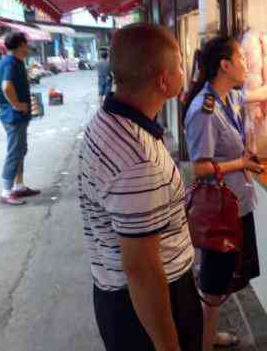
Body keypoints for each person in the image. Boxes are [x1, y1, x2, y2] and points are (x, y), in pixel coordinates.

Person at [78, 23, 202, 351]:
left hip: (120, 295)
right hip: (146, 307)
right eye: (179, 65)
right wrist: (167, 345)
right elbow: (142, 269)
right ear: (164, 80)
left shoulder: (109, 118)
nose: (184, 72)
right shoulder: (137, 161)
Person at [183, 36, 267, 351]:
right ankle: (204, 342)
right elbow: (200, 167)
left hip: (236, 204)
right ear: (225, 65)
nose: (247, 63)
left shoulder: (228, 98)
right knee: (213, 283)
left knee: (223, 280)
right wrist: (242, 163)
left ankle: (208, 334)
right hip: (219, 211)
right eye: (241, 57)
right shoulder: (204, 109)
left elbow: (259, 93)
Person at [0, 32, 40, 205]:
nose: (28, 47)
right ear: (21, 45)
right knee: (15, 152)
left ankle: (18, 186)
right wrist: (16, 104)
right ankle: (6, 192)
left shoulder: (16, 62)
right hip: (13, 116)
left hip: (18, 115)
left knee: (21, 150)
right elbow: (6, 86)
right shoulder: (10, 62)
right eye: (26, 44)